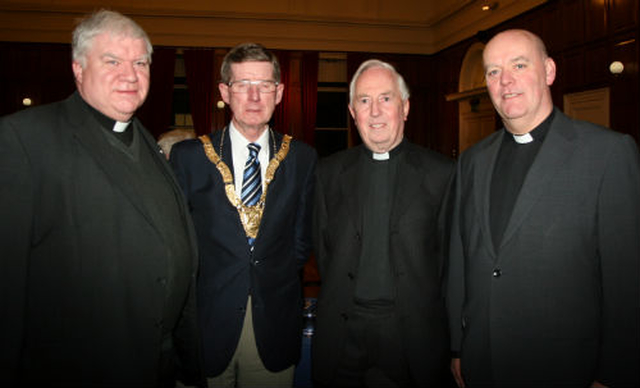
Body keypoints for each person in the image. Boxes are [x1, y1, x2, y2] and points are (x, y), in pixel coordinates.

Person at [0, 9, 202, 388]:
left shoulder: (147, 140)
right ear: (78, 68)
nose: (130, 74)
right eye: (112, 61)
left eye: (140, 62)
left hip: (158, 363)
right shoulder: (24, 139)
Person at [446, 29, 640, 388]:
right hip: (482, 361)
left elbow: (627, 278)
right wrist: (459, 347)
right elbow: (462, 256)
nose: (505, 81)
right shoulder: (473, 160)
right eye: (493, 71)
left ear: (549, 71)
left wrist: (614, 373)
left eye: (519, 65)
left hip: (566, 367)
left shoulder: (608, 153)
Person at [170, 42, 317, 388]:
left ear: (279, 92)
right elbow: (179, 241)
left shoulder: (301, 157)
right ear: (225, 92)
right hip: (206, 321)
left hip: (274, 322)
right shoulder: (190, 157)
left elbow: (300, 239)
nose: (254, 97)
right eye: (243, 85)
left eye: (264, 85)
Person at [312, 59, 455, 387]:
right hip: (343, 333)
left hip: (411, 338)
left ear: (405, 108)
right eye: (364, 101)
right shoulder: (328, 174)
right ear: (352, 112)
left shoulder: (442, 175)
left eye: (386, 99)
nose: (374, 111)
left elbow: (449, 263)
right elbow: (323, 252)